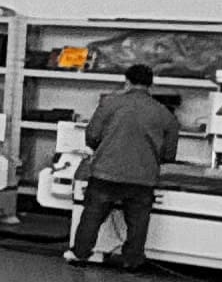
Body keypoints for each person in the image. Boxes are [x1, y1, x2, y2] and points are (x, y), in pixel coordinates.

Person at [67, 61, 181, 269]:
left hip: (105, 173)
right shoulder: (165, 114)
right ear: (151, 85)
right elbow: (169, 154)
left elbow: (92, 136)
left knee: (92, 215)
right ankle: (132, 261)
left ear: (126, 82)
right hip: (143, 178)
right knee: (138, 222)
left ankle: (80, 254)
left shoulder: (109, 104)